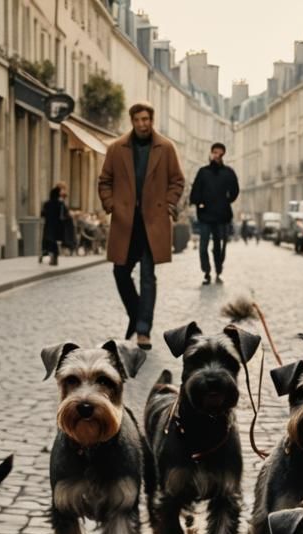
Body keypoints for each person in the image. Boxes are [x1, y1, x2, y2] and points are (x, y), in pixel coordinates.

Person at [98, 101, 185, 349]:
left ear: (152, 120)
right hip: (126, 222)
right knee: (120, 272)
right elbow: (105, 181)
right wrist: (111, 204)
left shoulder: (166, 148)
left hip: (153, 222)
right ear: (132, 121)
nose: (142, 124)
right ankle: (136, 315)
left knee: (148, 276)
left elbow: (177, 181)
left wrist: (169, 203)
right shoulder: (117, 148)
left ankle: (143, 330)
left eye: (145, 119)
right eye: (137, 120)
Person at [189, 142, 239, 285]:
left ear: (223, 155)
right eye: (215, 152)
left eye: (220, 153)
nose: (217, 155)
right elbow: (195, 191)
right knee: (203, 246)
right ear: (211, 153)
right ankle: (206, 271)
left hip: (221, 215)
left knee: (219, 246)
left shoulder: (228, 172)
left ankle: (218, 268)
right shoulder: (203, 172)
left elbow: (235, 190)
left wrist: (226, 201)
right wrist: (199, 203)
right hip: (205, 215)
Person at [40, 182, 69, 266]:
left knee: (48, 241)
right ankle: (54, 257)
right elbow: (65, 214)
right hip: (57, 226)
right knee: (54, 242)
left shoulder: (47, 204)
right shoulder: (60, 204)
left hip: (49, 225)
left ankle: (49, 256)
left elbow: (42, 214)